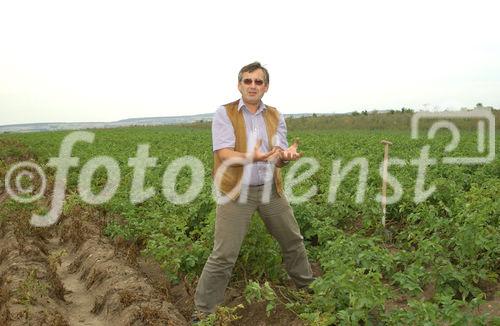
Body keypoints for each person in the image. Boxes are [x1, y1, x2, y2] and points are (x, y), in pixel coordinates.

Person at [193, 62, 314, 320]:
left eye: (258, 82)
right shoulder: (225, 113)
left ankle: (307, 292)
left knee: (293, 242)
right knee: (224, 255)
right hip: (236, 192)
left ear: (266, 87)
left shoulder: (274, 115)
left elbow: (276, 156)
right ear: (239, 85)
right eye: (247, 81)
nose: (252, 86)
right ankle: (203, 313)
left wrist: (285, 157)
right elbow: (224, 154)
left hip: (270, 189)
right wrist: (254, 157)